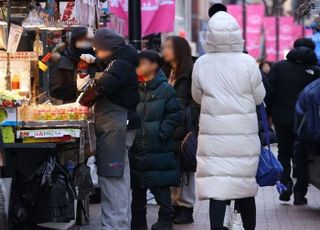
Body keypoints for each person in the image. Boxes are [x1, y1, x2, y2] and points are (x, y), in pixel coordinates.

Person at [192, 12, 265, 230]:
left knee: (218, 189)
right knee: (244, 188)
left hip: (213, 136)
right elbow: (259, 97)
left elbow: (197, 96)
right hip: (243, 136)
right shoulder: (248, 62)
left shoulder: (202, 63)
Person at [90, 29, 140, 230]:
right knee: (119, 177)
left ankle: (114, 226)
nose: (96, 54)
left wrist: (85, 96)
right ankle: (120, 224)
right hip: (118, 126)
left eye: (97, 50)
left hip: (116, 127)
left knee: (113, 178)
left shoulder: (120, 65)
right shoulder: (122, 61)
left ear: (107, 48)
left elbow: (102, 86)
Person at [130, 51, 181, 230]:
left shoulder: (165, 89)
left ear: (153, 65)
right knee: (137, 190)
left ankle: (166, 222)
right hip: (136, 146)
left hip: (159, 147)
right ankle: (138, 225)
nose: (137, 67)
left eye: (141, 63)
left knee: (161, 189)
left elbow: (175, 114)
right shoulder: (133, 87)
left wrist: (161, 133)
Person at [267, 38, 319, 202]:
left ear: (294, 48)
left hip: (282, 118)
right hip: (307, 120)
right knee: (303, 154)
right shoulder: (315, 70)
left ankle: (285, 184)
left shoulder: (279, 67)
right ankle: (300, 192)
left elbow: (269, 92)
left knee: (284, 152)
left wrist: (268, 114)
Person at [162, 36, 200, 225]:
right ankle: (174, 205)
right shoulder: (165, 71)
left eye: (168, 47)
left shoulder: (191, 71)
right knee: (172, 166)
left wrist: (186, 117)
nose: (164, 50)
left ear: (179, 50)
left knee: (185, 166)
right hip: (167, 126)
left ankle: (186, 207)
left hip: (184, 126)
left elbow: (196, 101)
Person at [49, 27, 95, 103]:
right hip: (73, 109)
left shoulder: (99, 60)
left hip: (99, 110)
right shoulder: (63, 61)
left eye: (88, 40)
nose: (85, 43)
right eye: (81, 40)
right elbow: (55, 91)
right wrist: (76, 86)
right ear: (74, 41)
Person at [293, 78, 320, 205]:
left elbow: (300, 112)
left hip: (310, 135)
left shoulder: (311, 89)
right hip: (312, 134)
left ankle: (299, 193)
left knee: (303, 158)